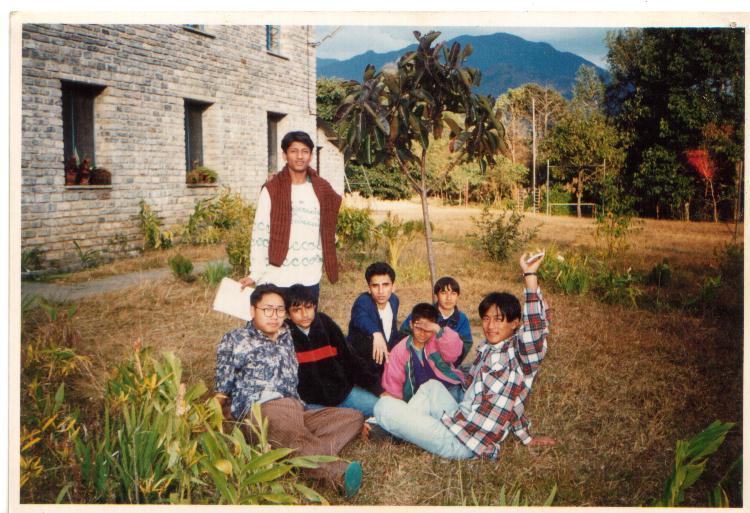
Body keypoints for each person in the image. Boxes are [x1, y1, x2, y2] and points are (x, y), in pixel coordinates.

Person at [373, 252, 556, 460]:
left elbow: (534, 328)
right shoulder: (488, 348)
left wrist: (530, 276)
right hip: (459, 419)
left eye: (498, 319)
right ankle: (407, 428)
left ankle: (399, 428)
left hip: (465, 443)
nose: (490, 326)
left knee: (383, 407)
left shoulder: (522, 356)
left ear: (515, 323)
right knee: (431, 387)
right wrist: (526, 437)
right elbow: (513, 402)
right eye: (486, 319)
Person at [214, 284, 363, 497]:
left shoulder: (288, 335)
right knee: (287, 428)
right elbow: (222, 387)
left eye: (279, 310)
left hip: (296, 408)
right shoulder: (235, 339)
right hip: (260, 408)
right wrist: (212, 418)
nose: (274, 316)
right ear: (252, 310)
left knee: (353, 418)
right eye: (268, 310)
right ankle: (337, 474)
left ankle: (289, 456)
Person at [240, 131, 341, 302]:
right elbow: (260, 234)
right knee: (274, 319)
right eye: (294, 151)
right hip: (276, 276)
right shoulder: (271, 189)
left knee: (306, 319)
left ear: (311, 156)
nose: (299, 156)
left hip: (309, 276)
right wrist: (255, 273)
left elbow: (329, 224)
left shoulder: (322, 188)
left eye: (305, 151)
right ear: (284, 155)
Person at [284, 284, 380, 417]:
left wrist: (377, 389)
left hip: (343, 395)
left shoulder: (325, 323)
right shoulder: (284, 335)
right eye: (297, 310)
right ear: (288, 314)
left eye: (308, 307)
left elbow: (351, 359)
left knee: (380, 407)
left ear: (315, 307)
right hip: (312, 404)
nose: (304, 314)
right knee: (338, 421)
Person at [381, 303, 465, 404]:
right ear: (411, 325)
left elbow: (454, 354)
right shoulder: (400, 351)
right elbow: (394, 383)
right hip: (419, 399)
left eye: (427, 329)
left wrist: (438, 329)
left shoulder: (439, 340)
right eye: (418, 328)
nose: (422, 333)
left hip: (448, 389)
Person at [346, 262, 400, 396]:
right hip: (361, 367)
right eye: (375, 286)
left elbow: (392, 329)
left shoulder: (394, 301)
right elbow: (360, 317)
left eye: (385, 285)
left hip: (382, 361)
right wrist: (376, 333)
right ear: (369, 288)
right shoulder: (363, 301)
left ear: (393, 287)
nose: (381, 291)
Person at [399, 276, 474, 365]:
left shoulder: (462, 319)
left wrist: (450, 365)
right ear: (436, 295)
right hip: (418, 362)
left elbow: (466, 344)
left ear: (458, 295)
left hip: (447, 366)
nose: (449, 298)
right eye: (443, 293)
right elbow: (403, 334)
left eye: (453, 293)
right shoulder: (423, 312)